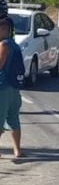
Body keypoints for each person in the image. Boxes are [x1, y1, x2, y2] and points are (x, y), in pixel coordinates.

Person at [0, 17, 23, 158]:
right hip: (14, 87)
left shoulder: (4, 45)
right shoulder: (14, 44)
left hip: (2, 87)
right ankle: (17, 150)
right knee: (13, 118)